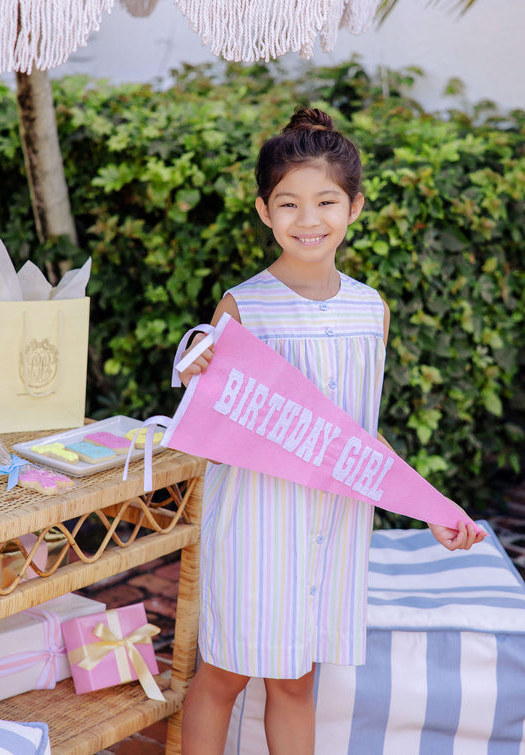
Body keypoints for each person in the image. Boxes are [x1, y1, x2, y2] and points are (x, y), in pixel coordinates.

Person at [178, 107, 486, 755]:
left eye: (325, 201)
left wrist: (431, 507)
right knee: (225, 674)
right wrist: (196, 360)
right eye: (289, 203)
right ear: (264, 211)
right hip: (256, 525)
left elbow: (359, 436)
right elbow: (204, 394)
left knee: (295, 681)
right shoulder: (244, 304)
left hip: (329, 528)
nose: (308, 219)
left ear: (354, 207)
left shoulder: (369, 309)